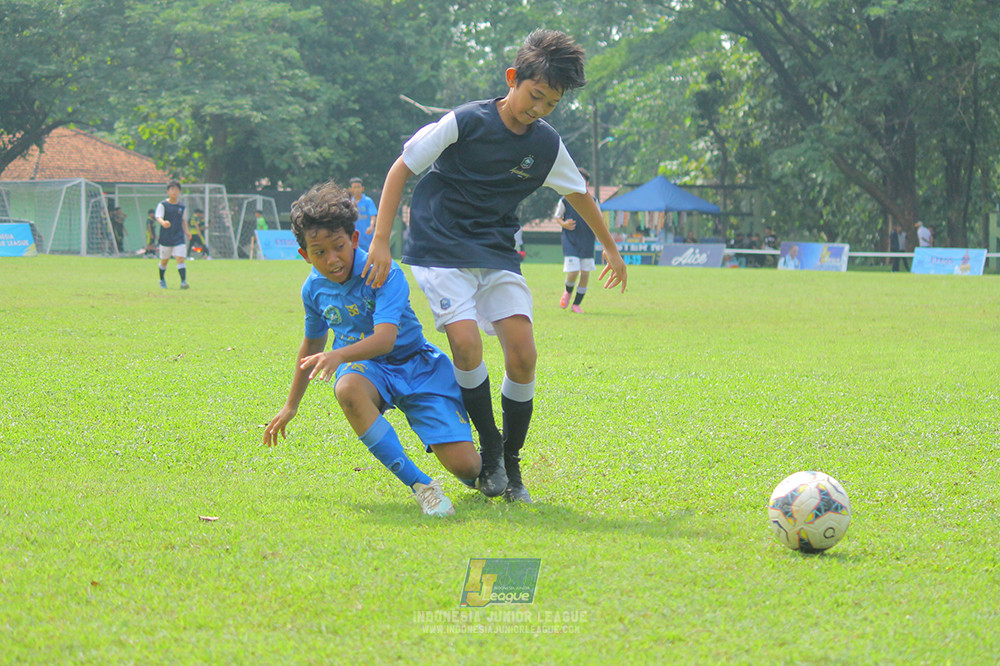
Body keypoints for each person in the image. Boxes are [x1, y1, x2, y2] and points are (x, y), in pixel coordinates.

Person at [364, 30, 628, 504]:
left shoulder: (546, 145)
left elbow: (578, 195)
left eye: (550, 104)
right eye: (535, 96)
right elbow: (402, 167)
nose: (539, 109)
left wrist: (609, 247)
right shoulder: (465, 122)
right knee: (465, 345)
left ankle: (511, 462)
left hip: (494, 249)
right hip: (440, 245)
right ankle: (489, 450)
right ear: (513, 79)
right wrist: (381, 240)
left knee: (523, 354)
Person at [262, 181, 480, 518]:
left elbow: (385, 339)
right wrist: (291, 406)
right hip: (367, 370)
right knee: (346, 387)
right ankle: (422, 485)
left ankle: (475, 454)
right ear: (305, 255)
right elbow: (312, 344)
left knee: (468, 468)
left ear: (353, 239)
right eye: (319, 253)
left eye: (338, 247)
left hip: (416, 366)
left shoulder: (382, 271)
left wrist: (338, 355)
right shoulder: (313, 290)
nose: (332, 260)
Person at [555, 168, 598, 314]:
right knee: (573, 272)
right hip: (570, 240)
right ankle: (567, 292)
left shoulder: (593, 201)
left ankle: (576, 304)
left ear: (587, 183)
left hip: (587, 241)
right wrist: (564, 224)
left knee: (585, 273)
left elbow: (599, 220)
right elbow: (557, 216)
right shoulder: (565, 200)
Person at [155, 181, 191, 289]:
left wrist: (187, 231)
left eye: (176, 190)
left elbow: (183, 221)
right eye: (172, 190)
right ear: (168, 191)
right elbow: (158, 217)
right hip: (166, 237)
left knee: (180, 258)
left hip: (178, 236)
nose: (174, 192)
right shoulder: (163, 205)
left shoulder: (182, 207)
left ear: (179, 192)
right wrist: (163, 223)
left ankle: (183, 282)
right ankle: (161, 279)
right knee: (164, 261)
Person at [349, 178, 378, 252]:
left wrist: (371, 226)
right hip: (354, 233)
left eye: (358, 187)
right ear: (351, 189)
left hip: (366, 233)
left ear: (362, 188)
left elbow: (373, 215)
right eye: (354, 187)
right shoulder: (349, 202)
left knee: (368, 253)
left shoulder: (368, 201)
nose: (357, 189)